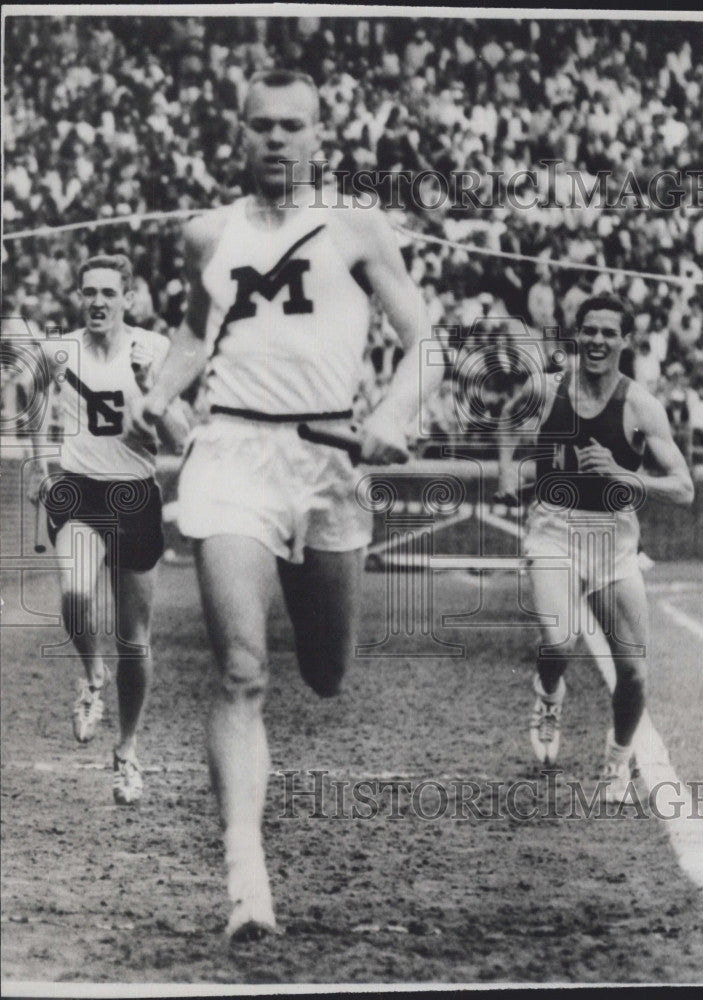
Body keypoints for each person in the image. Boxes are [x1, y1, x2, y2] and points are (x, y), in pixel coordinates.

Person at [127, 69, 435, 941]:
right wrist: (164, 387)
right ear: (238, 133)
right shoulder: (206, 233)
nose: (275, 140)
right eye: (259, 125)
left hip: (330, 459)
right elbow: (197, 333)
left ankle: (250, 869)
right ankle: (246, 886)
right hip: (231, 454)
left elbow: (426, 345)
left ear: (318, 137)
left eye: (291, 126)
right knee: (240, 671)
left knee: (327, 673)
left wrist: (392, 411)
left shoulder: (357, 227)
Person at [497, 294, 694, 802]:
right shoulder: (546, 389)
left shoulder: (639, 404)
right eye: (590, 331)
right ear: (576, 335)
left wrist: (624, 475)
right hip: (554, 528)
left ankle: (616, 764)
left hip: (613, 538)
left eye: (609, 332)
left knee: (633, 672)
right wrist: (504, 472)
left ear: (626, 340)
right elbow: (506, 419)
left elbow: (684, 488)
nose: (598, 341)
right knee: (560, 642)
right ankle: (548, 697)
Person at [26, 253, 188, 805]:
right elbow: (34, 412)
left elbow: (181, 435)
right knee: (74, 591)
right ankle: (91, 678)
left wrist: (151, 387)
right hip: (79, 488)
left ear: (128, 297)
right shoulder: (59, 350)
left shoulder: (155, 350)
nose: (98, 301)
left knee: (135, 641)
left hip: (135, 492)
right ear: (79, 295)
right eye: (89, 291)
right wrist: (39, 465)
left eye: (108, 293)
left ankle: (128, 751)